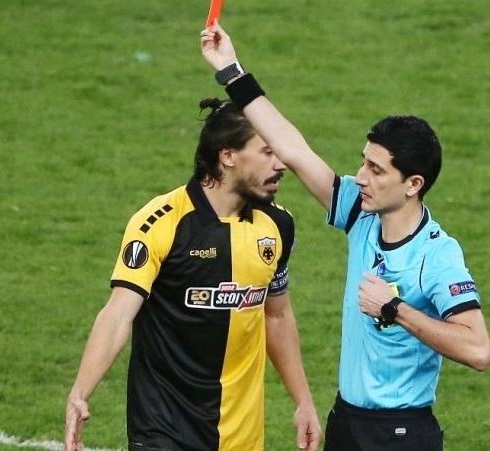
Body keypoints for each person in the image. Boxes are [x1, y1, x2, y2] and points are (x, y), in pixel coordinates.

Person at [200, 22, 490, 451]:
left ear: (413, 184)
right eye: (363, 162)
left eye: (376, 170)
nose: (362, 177)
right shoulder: (361, 212)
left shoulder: (436, 254)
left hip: (401, 433)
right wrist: (231, 71)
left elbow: (478, 350)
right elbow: (294, 150)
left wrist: (395, 309)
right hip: (347, 422)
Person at [64, 98, 321, 451]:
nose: (282, 164)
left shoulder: (277, 224)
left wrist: (303, 401)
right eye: (267, 152)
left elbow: (276, 315)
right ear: (227, 156)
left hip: (242, 436)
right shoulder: (161, 222)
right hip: (163, 428)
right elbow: (118, 313)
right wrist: (80, 392)